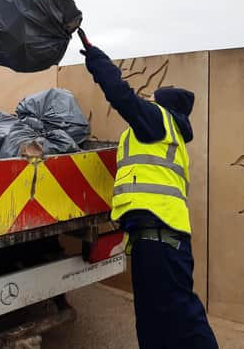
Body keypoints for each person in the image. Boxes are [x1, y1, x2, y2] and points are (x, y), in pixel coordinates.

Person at [80, 45, 218, 349]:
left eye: (154, 98)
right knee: (153, 317)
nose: (148, 100)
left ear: (163, 105)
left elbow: (120, 94)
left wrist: (95, 58)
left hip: (162, 239)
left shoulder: (158, 122)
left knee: (182, 316)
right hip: (154, 239)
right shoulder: (162, 132)